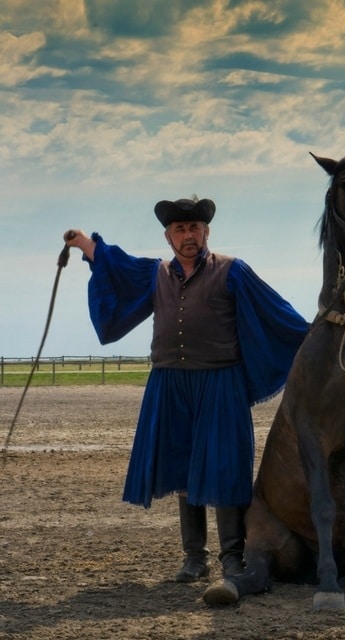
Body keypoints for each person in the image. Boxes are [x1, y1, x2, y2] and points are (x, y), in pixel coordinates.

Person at [63, 196, 309, 582]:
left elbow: (276, 310)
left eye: (195, 227)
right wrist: (83, 243)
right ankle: (195, 557)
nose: (188, 235)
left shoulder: (233, 271)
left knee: (225, 467)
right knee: (182, 468)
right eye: (180, 229)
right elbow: (119, 266)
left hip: (220, 382)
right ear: (168, 236)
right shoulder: (155, 274)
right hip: (169, 383)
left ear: (206, 232)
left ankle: (232, 558)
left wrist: (315, 334)